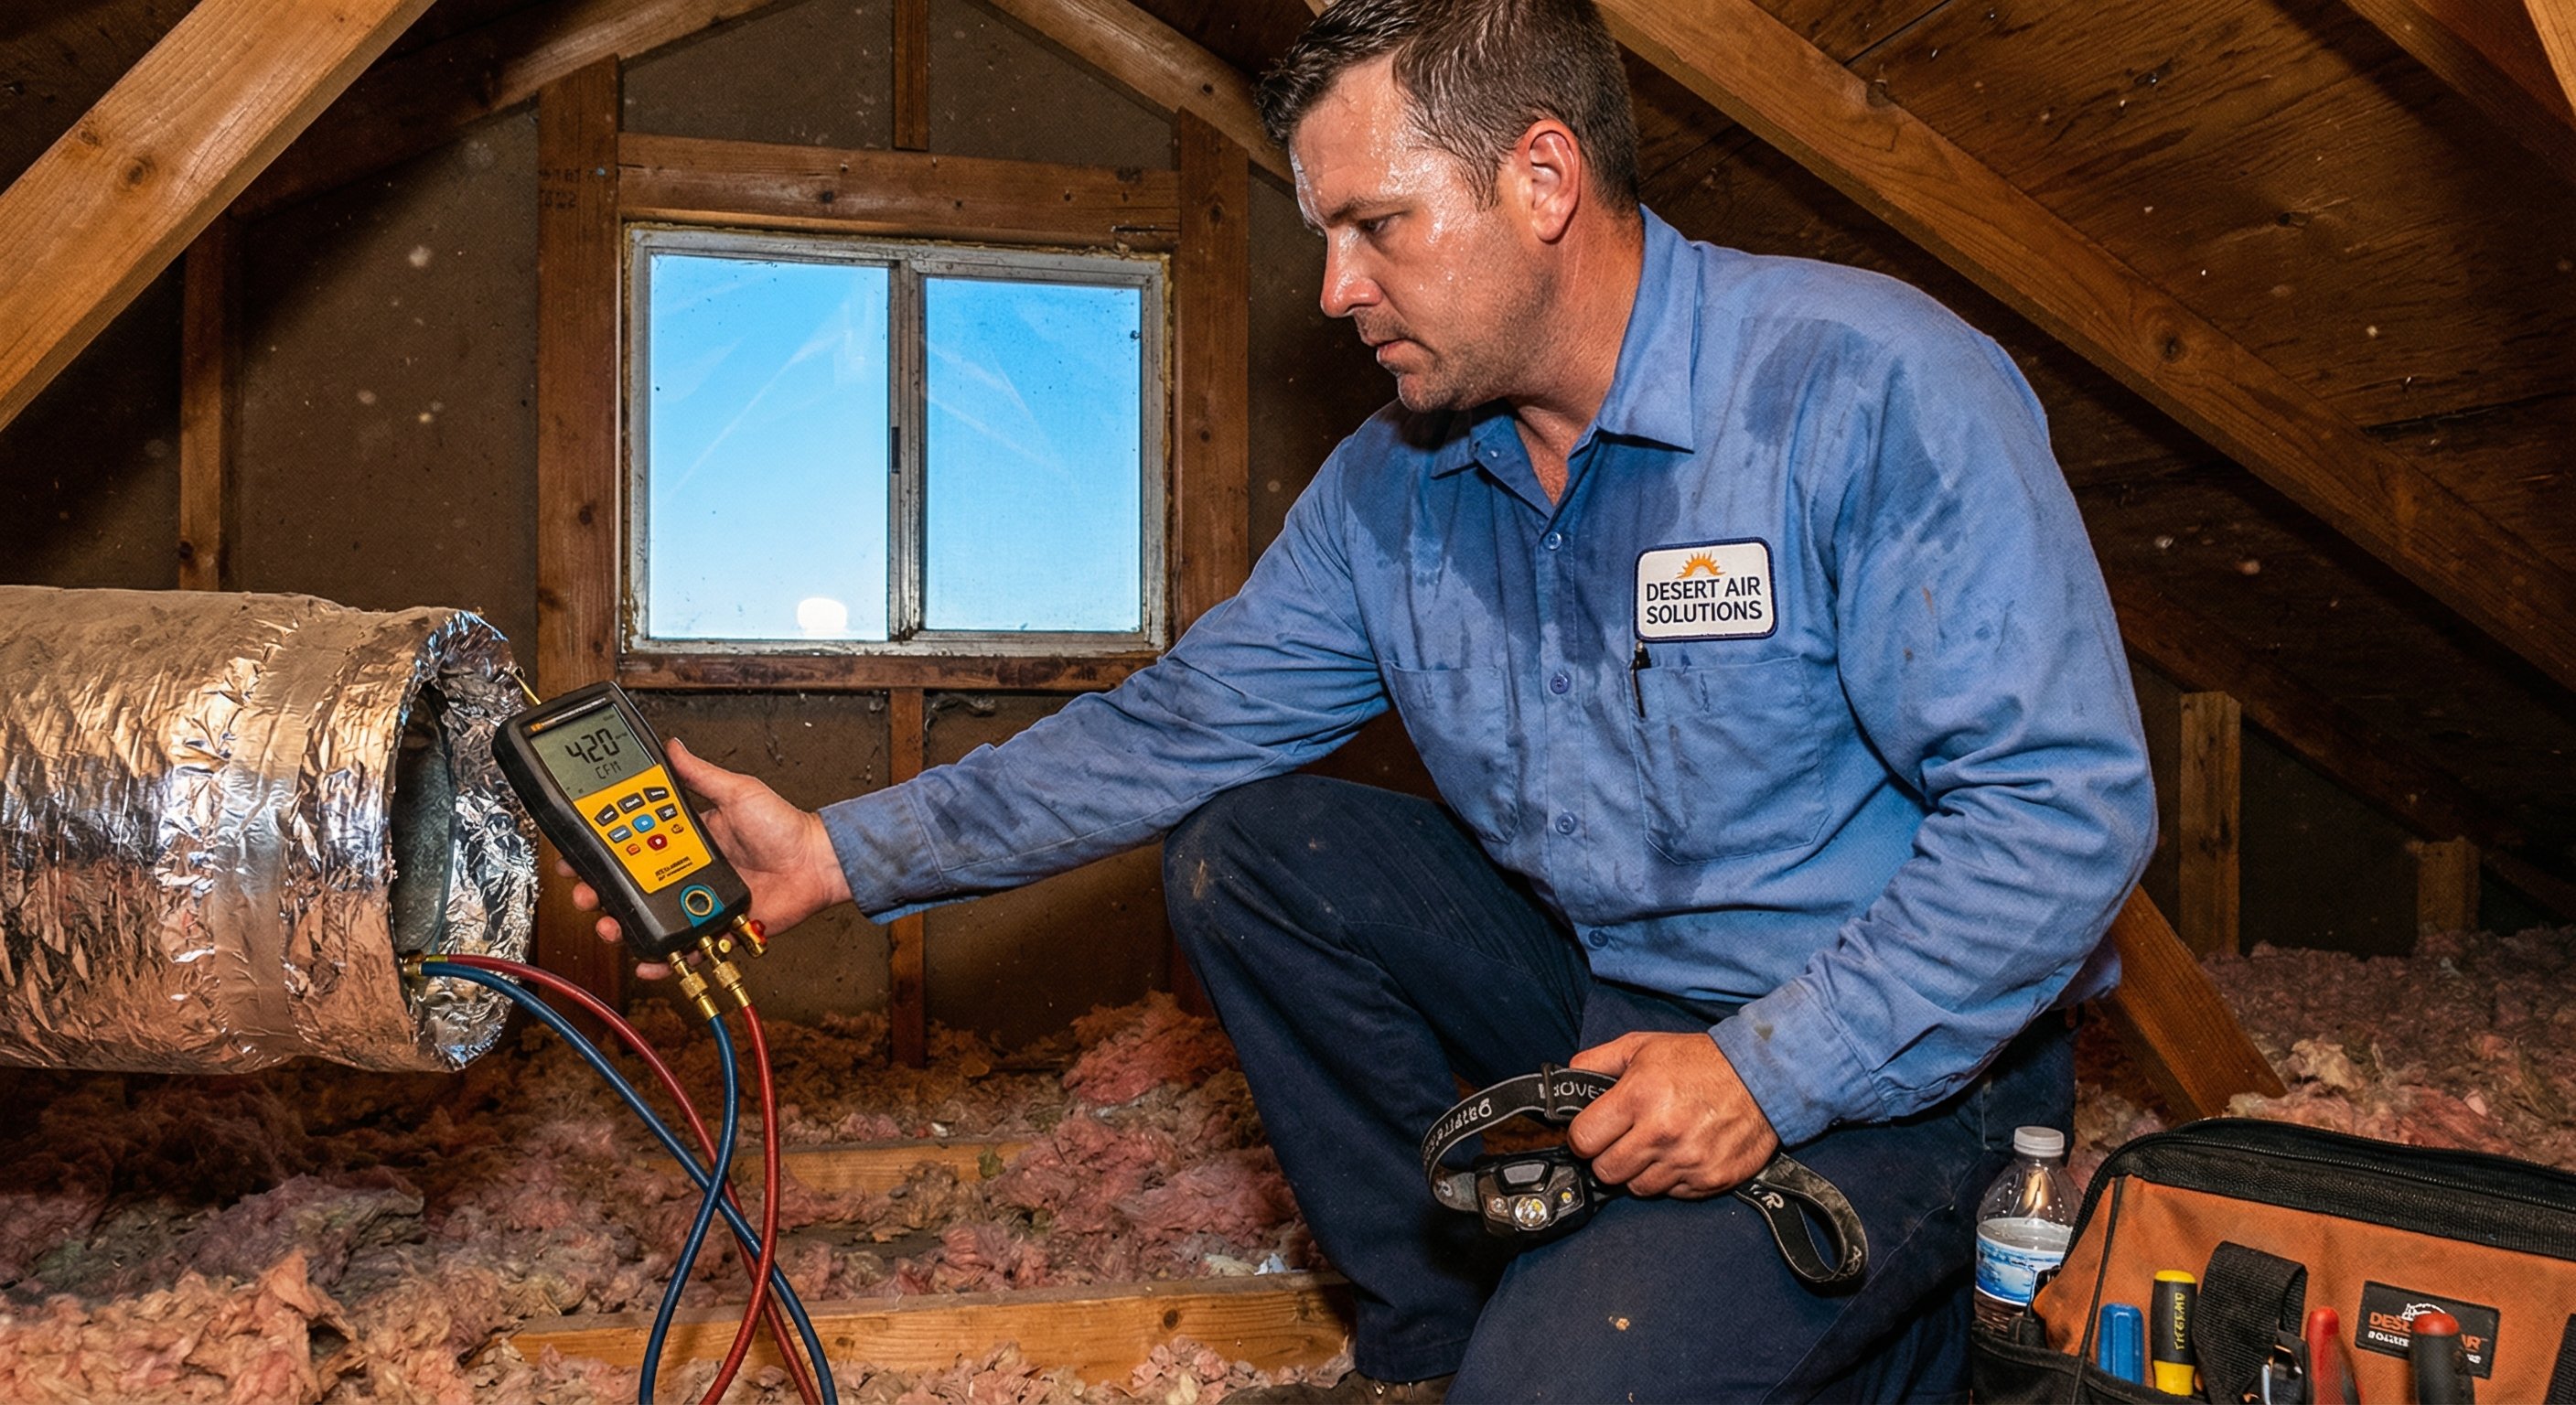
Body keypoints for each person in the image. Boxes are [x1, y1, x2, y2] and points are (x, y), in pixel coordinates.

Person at [569, 0, 2156, 1397]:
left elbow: (2065, 815)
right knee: (1251, 850)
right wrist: (841, 856)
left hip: (1894, 1047)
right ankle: (1452, 1323)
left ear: (1543, 180)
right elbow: (1170, 731)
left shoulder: (1860, 388)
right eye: (1325, 232)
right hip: (1612, 994)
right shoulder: (1395, 490)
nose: (1334, 289)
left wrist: (1768, 1073)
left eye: (1375, 225)